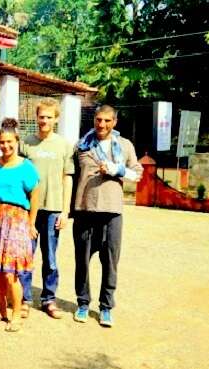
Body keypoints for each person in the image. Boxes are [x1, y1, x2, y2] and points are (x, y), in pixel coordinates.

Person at [70, 104, 142, 327]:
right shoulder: (82, 146)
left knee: (110, 262)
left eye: (107, 121)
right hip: (85, 211)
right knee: (82, 262)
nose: (101, 124)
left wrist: (116, 169)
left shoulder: (124, 145)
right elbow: (71, 178)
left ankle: (106, 307)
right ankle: (83, 303)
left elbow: (137, 175)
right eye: (98, 120)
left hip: (112, 212)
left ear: (115, 122)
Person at [0, 119, 39, 332]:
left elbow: (35, 195)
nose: (6, 146)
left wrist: (32, 223)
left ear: (17, 141)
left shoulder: (26, 166)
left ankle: (16, 314)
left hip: (17, 220)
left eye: (9, 142)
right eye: (2, 142)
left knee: (10, 272)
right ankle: (1, 310)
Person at [18, 97, 74, 319]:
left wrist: (65, 211)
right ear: (36, 117)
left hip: (53, 209)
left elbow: (67, 178)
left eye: (49, 117)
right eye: (41, 116)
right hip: (28, 210)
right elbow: (18, 174)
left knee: (50, 257)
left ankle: (49, 299)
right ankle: (24, 299)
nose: (44, 120)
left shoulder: (63, 145)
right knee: (26, 255)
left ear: (56, 119)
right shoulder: (26, 143)